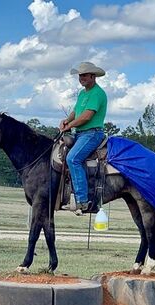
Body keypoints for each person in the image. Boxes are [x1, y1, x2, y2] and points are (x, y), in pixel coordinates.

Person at [59, 62, 107, 212]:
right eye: (80, 75)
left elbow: (86, 116)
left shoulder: (97, 93)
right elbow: (76, 111)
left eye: (85, 75)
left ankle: (82, 200)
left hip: (92, 133)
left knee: (73, 159)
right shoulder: (82, 93)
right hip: (79, 133)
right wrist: (67, 120)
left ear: (93, 76)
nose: (81, 78)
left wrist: (70, 125)